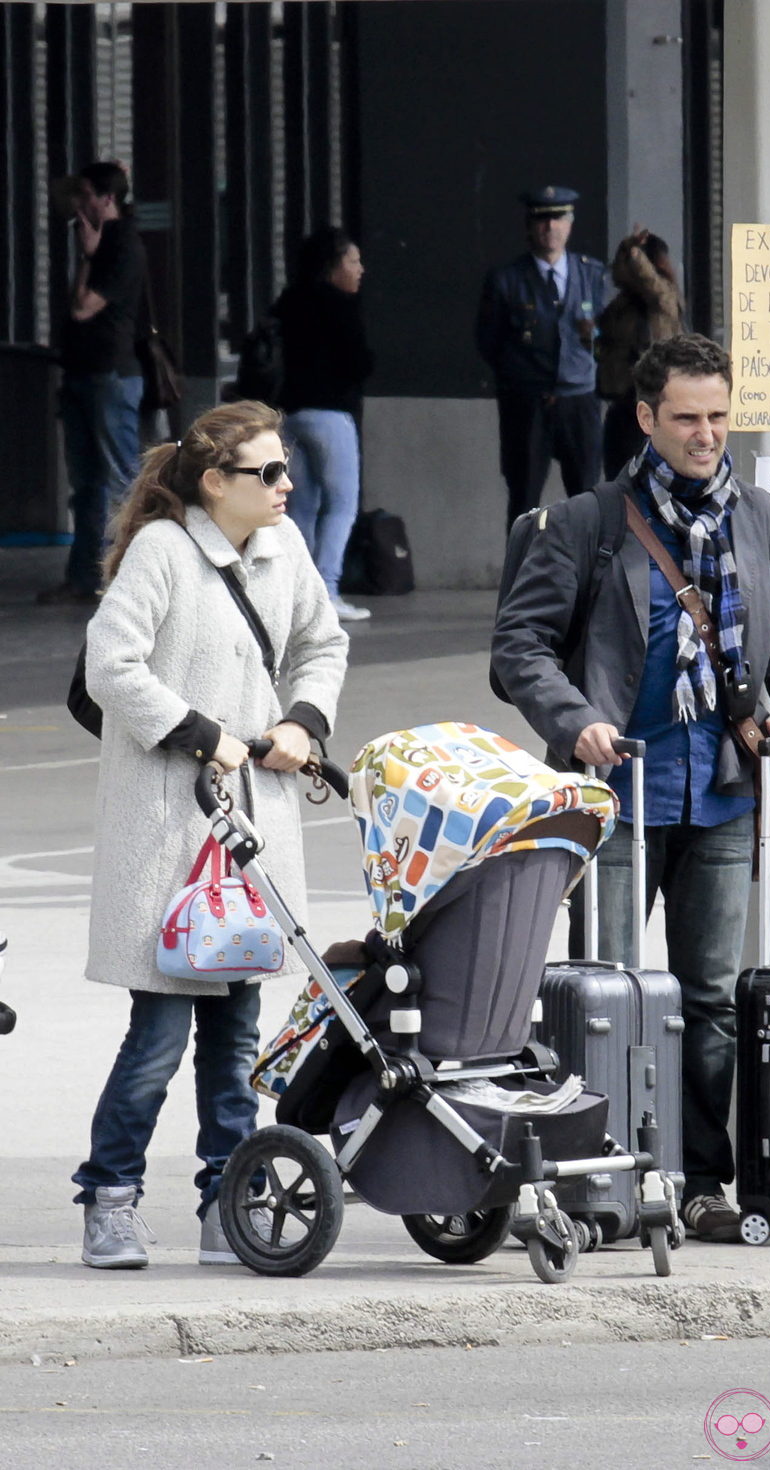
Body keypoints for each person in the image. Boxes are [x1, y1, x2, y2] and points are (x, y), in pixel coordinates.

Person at [491, 334, 770, 1242]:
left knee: (710, 999)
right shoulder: (592, 520)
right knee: (607, 990)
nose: (707, 433)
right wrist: (573, 721)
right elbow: (518, 648)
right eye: (687, 418)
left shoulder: (752, 512)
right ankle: (593, 1179)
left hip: (721, 794)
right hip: (619, 797)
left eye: (718, 416)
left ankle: (703, 1182)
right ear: (646, 418)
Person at [72, 400, 349, 1268]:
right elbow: (109, 666)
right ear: (213, 482)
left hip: (249, 836)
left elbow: (322, 642)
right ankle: (109, 1198)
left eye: (285, 469)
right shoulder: (162, 553)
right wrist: (205, 734)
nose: (286, 485)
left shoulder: (285, 548)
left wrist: (302, 722)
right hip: (168, 830)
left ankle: (225, 1199)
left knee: (236, 1039)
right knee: (157, 1038)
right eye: (267, 472)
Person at [39, 161, 147, 606]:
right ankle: (85, 576)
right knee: (86, 484)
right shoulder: (102, 245)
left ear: (107, 198)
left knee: (123, 480)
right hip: (83, 372)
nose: (79, 205)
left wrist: (87, 255)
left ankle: (134, 580)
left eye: (87, 196)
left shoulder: (121, 245)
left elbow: (83, 307)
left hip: (111, 375)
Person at [476, 185, 605, 529]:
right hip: (527, 402)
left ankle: (587, 579)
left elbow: (608, 337)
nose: (551, 228)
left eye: (559, 219)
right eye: (542, 220)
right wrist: (520, 377)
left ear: (571, 223)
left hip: (579, 400)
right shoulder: (507, 279)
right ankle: (521, 579)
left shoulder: (591, 273)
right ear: (529, 226)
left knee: (587, 498)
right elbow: (489, 341)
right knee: (524, 499)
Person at [276, 225, 375, 622]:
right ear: (334, 267)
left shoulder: (288, 302)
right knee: (341, 505)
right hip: (332, 415)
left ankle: (295, 593)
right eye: (353, 261)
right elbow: (360, 362)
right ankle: (326, 590)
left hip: (290, 414)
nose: (360, 269)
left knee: (299, 505)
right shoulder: (340, 305)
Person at [597, 228, 684, 478]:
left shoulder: (664, 298)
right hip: (621, 400)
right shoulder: (622, 305)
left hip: (650, 401)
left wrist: (635, 252)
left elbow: (651, 284)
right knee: (617, 476)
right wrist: (627, 247)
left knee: (644, 477)